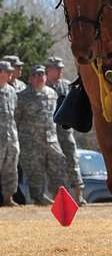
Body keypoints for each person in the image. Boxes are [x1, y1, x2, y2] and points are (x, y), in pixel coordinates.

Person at [14, 66, 66, 205]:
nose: (39, 77)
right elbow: (16, 120)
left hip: (51, 140)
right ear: (30, 78)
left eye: (42, 74)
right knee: (35, 173)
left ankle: (59, 198)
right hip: (31, 142)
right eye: (36, 74)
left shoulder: (52, 94)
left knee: (59, 167)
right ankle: (39, 198)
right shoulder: (22, 96)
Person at [44, 57, 85, 205]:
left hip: (65, 132)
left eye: (61, 68)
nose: (60, 71)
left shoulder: (67, 86)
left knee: (72, 160)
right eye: (57, 68)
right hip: (48, 135)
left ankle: (79, 196)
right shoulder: (43, 86)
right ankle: (58, 198)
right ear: (48, 70)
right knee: (54, 166)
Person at [0, 61, 21, 207]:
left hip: (11, 136)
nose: (11, 74)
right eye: (8, 71)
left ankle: (8, 198)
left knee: (11, 168)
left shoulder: (11, 91)